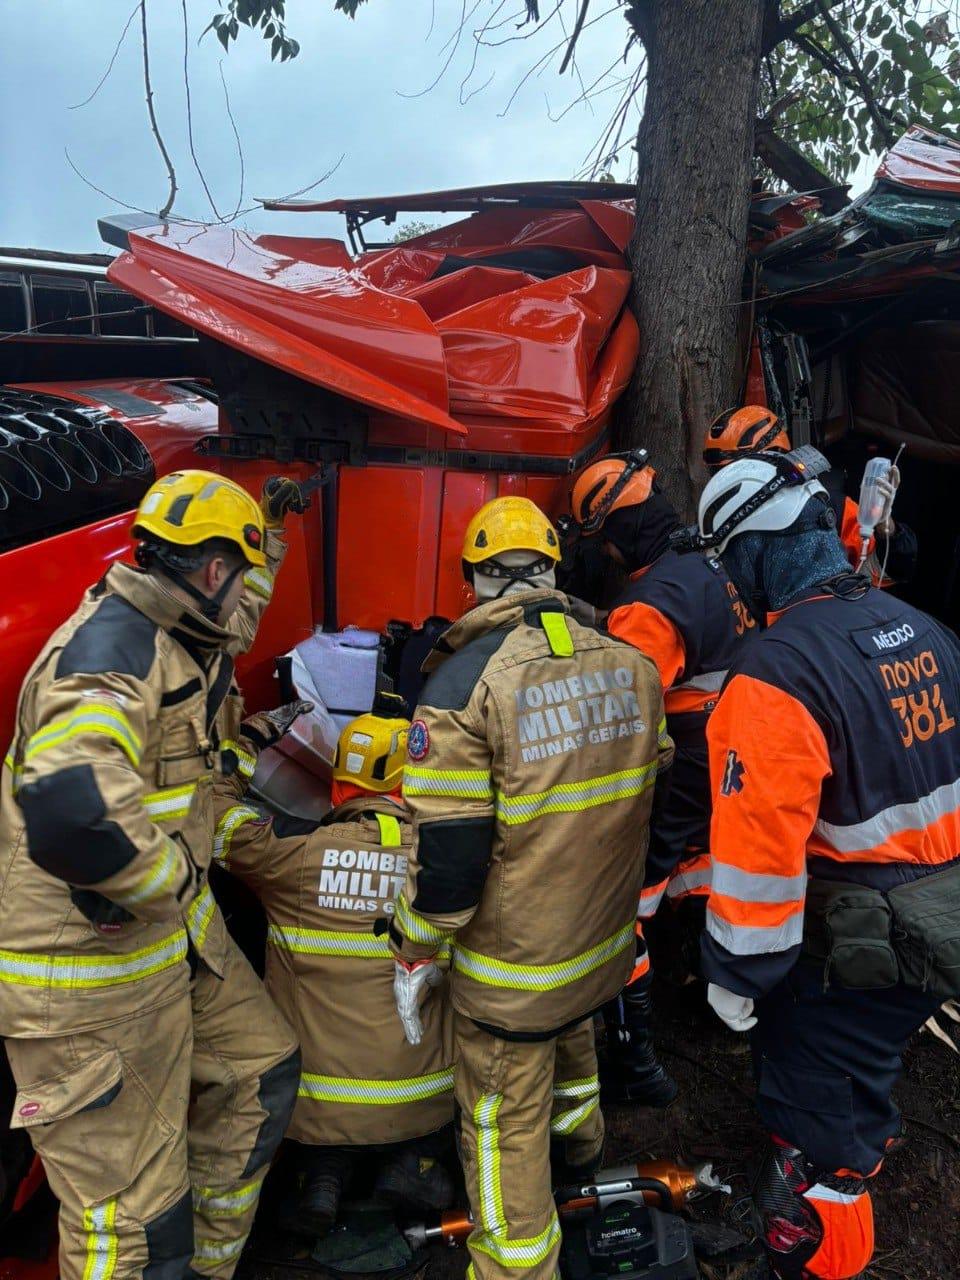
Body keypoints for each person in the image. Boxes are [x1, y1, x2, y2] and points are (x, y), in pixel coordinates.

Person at [0, 469, 309, 1280]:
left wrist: (266, 535)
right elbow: (71, 806)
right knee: (132, 1232)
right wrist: (172, 885)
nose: (244, 596)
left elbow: (238, 616)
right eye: (237, 572)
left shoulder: (186, 620)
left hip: (165, 943)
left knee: (261, 1071)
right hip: (88, 978)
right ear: (210, 571)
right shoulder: (110, 656)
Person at [680, 448, 960, 1280]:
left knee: (821, 1136)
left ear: (754, 551)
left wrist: (737, 974)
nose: (733, 587)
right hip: (938, 923)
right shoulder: (925, 630)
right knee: (862, 1082)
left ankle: (822, 1249)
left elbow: (760, 857)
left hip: (854, 955)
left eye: (733, 566)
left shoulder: (776, 673)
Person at [388, 496, 673, 1280]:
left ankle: (516, 1263)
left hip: (514, 971)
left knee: (495, 1118)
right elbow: (656, 773)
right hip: (599, 948)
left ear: (478, 580)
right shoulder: (629, 659)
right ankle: (580, 1154)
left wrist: (416, 949)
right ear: (552, 569)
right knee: (572, 1047)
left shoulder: (458, 686)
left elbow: (447, 859)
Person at [211, 699, 456, 1235]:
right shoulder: (448, 863)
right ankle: (408, 1165)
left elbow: (215, 816)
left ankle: (320, 1177)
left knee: (322, 1137)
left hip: (312, 1109)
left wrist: (246, 743)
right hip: (425, 1100)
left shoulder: (290, 857)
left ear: (338, 787)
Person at [569, 452, 754, 1105]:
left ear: (616, 536)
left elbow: (627, 713)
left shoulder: (648, 607)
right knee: (705, 867)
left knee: (630, 897)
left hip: (689, 756)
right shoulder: (707, 560)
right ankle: (718, 1001)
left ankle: (635, 1054)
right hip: (736, 744)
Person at [703, 405, 917, 586]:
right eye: (720, 474)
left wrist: (885, 528)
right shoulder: (714, 520)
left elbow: (886, 571)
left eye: (738, 471)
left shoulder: (830, 508)